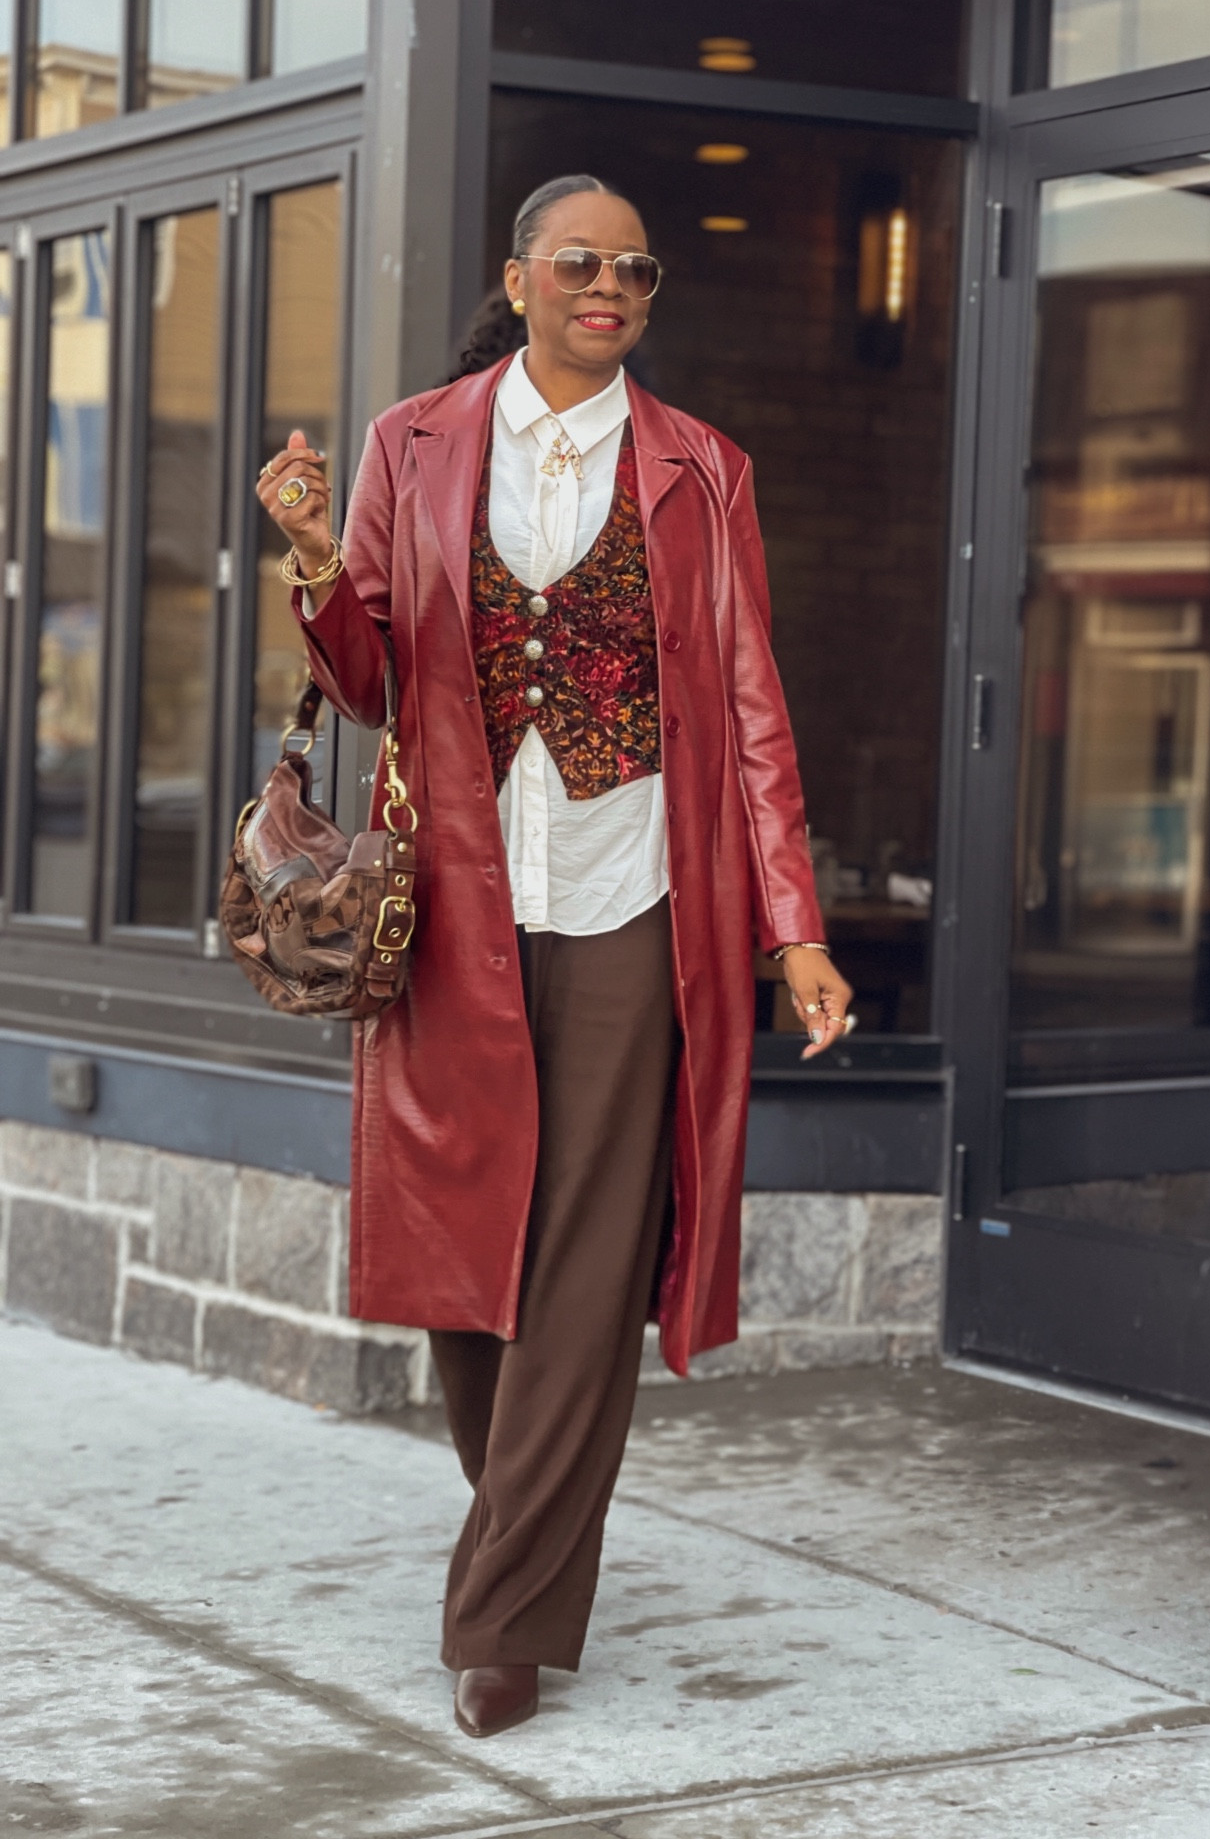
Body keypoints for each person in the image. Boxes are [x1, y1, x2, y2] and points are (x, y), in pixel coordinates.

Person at [256, 173, 851, 1740]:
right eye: (578, 264)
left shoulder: (704, 473)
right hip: (454, 896)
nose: (609, 287)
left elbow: (749, 713)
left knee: (584, 1273)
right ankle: (525, 1518)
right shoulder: (414, 441)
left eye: (633, 271)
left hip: (631, 900)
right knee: (469, 1264)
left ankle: (503, 1617)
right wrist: (317, 556)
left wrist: (791, 930)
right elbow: (372, 673)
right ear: (516, 279)